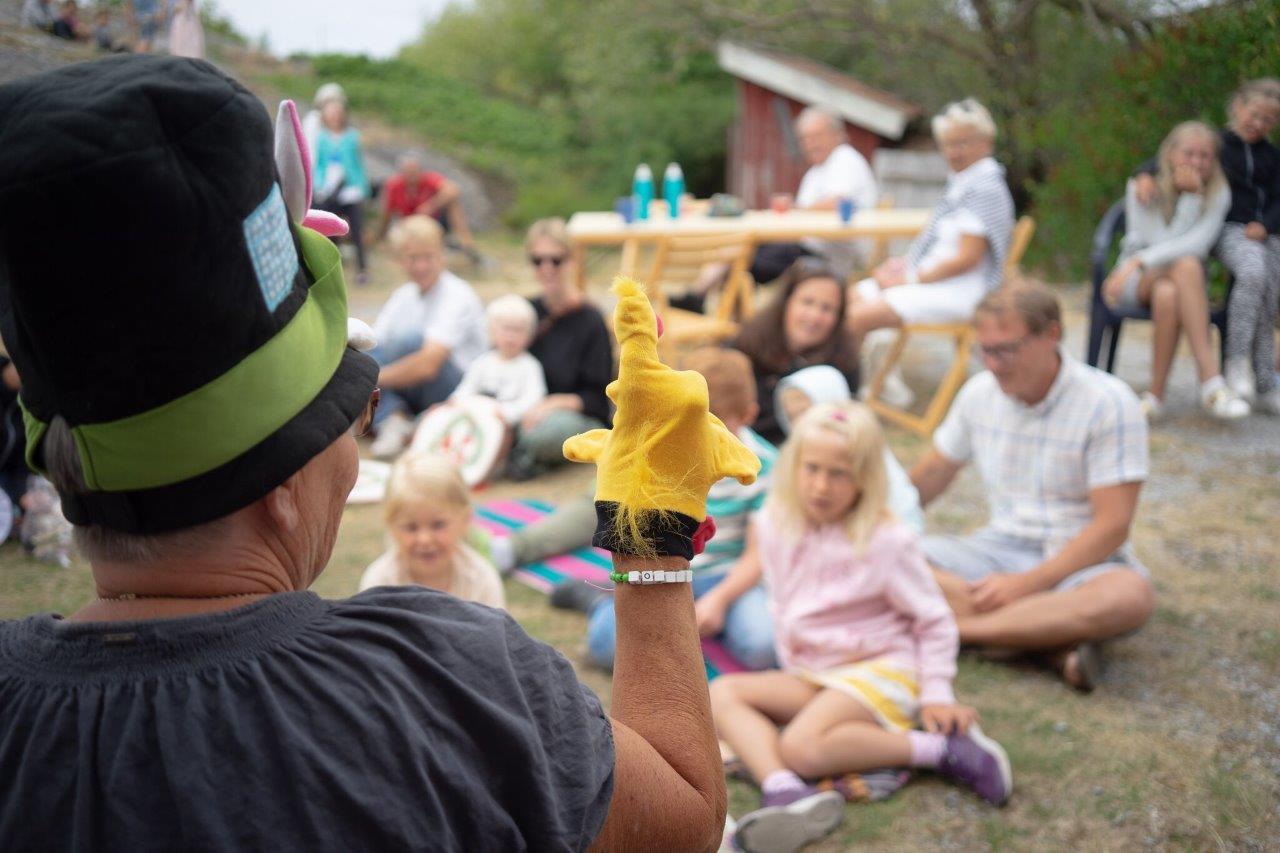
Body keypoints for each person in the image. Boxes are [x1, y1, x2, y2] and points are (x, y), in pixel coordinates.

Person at [0, 55, 728, 851]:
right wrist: (650, 529)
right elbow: (682, 815)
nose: (350, 457)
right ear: (278, 483)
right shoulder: (453, 685)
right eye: (350, 416)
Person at [711, 402, 1012, 853]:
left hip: (880, 667)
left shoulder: (886, 540)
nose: (821, 485)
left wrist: (936, 693)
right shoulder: (775, 522)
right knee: (720, 694)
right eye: (811, 469)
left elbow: (933, 620)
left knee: (802, 746)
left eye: (840, 474)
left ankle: (943, 749)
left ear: (865, 479)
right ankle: (786, 791)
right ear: (793, 465)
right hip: (816, 672)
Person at [910, 285, 1154, 691]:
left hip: (1081, 562)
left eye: (1005, 350)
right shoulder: (979, 394)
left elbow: (1112, 527)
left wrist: (1026, 585)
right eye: (983, 351)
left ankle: (960, 633)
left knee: (1131, 596)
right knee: (891, 557)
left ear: (1052, 335)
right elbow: (933, 473)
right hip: (999, 550)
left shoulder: (1109, 402)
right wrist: (868, 517)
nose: (993, 365)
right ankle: (1050, 642)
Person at [549, 347, 780, 672]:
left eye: (717, 425)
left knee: (762, 647)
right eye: (694, 423)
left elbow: (759, 554)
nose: (700, 436)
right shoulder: (662, 450)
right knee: (606, 648)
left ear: (747, 416)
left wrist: (720, 600)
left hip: (727, 577)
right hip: (662, 571)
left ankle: (699, 618)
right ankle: (598, 599)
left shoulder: (765, 466)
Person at [846, 98, 1015, 406]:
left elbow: (966, 258)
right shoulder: (963, 184)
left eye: (962, 143)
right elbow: (937, 246)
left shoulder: (985, 188)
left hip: (960, 292)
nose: (954, 152)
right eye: (948, 145)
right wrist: (902, 268)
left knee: (858, 317)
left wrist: (910, 278)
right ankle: (873, 381)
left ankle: (851, 392)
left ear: (985, 142)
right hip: (931, 282)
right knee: (848, 298)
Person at [1133, 79, 1280, 415]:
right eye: (1254, 114)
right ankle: (1235, 362)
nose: (1258, 124)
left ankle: (1266, 379)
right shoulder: (1216, 145)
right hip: (1225, 229)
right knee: (1254, 271)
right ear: (1237, 107)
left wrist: (1268, 225)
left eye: (1268, 120)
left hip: (1264, 234)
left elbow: (1278, 200)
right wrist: (1143, 173)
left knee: (1271, 285)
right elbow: (1168, 158)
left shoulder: (1273, 157)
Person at [1104, 121, 1241, 420]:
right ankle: (1211, 382)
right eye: (1189, 153)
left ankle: (1154, 397)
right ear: (1170, 154)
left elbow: (1198, 244)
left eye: (1204, 156)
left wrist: (1193, 197)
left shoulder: (1218, 192)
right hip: (1134, 281)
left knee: (1170, 290)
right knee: (1187, 265)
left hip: (1165, 278)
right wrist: (1136, 263)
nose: (1196, 162)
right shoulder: (1142, 186)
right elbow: (1160, 243)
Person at [369, 215, 488, 459]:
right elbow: (373, 342)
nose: (421, 266)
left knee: (410, 341)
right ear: (400, 259)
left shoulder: (457, 294)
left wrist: (368, 380)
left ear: (442, 255)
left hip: (458, 387)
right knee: (363, 350)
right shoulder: (403, 295)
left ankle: (388, 417)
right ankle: (394, 419)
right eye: (413, 258)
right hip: (414, 384)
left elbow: (429, 365)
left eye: (428, 257)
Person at [505, 218, 613, 480]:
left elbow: (596, 399)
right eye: (537, 260)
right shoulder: (525, 311)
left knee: (545, 435)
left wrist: (552, 404)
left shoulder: (590, 320)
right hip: (525, 406)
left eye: (556, 260)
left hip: (573, 415)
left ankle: (525, 455)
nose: (546, 268)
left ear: (571, 260)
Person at [772, 364, 924, 533]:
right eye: (791, 416)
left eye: (804, 413)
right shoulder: (793, 459)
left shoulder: (864, 456)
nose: (797, 424)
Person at [732, 258, 859, 443]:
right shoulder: (748, 345)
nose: (815, 316)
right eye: (807, 302)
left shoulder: (843, 363)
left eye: (827, 308)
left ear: (839, 316)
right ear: (787, 302)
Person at [358, 452, 505, 609]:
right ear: (391, 526)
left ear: (464, 520)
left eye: (438, 525)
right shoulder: (380, 583)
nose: (425, 539)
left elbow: (496, 632)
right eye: (411, 527)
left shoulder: (480, 580)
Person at [447, 294, 547, 427]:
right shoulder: (482, 362)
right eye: (506, 329)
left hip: (508, 425)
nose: (511, 336)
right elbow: (467, 388)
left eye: (518, 330)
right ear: (492, 331)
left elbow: (534, 397)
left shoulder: (529, 366)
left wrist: (508, 413)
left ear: (529, 335)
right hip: (477, 420)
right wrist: (456, 402)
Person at [374, 153, 483, 265]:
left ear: (420, 171)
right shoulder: (394, 186)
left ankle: (467, 244)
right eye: (408, 172)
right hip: (410, 226)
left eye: (414, 171)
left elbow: (452, 190)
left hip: (433, 222)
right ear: (401, 173)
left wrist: (430, 206)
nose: (411, 175)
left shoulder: (429, 179)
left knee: (453, 204)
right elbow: (386, 213)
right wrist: (380, 236)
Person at [313, 93, 371, 281]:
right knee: (332, 228)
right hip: (328, 187)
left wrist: (362, 188)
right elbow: (320, 164)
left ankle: (362, 269)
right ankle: (333, 268)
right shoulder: (322, 137)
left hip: (349, 186)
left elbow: (357, 164)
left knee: (356, 227)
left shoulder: (352, 136)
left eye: (337, 112)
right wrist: (318, 185)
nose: (334, 116)